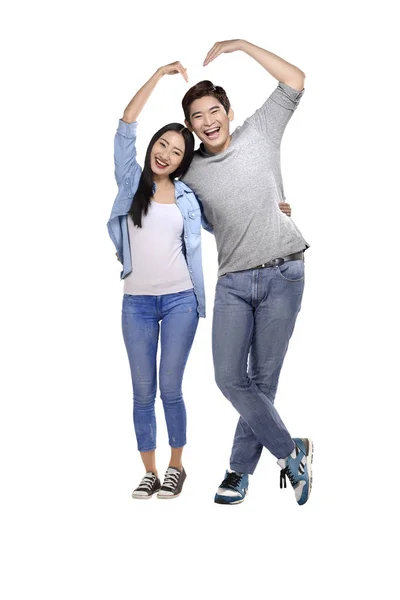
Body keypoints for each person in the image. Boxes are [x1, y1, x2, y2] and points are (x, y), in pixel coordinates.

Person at [181, 39, 313, 505]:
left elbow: (294, 80)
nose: (208, 121)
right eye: (197, 116)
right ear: (191, 125)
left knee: (263, 379)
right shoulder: (190, 172)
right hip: (234, 282)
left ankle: (238, 472)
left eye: (214, 110)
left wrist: (241, 45)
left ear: (229, 112)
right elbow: (204, 221)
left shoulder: (260, 131)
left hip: (284, 273)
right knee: (229, 377)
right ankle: (290, 449)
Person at [107, 62, 206, 500]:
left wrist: (274, 212)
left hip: (181, 300)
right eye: (162, 144)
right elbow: (126, 122)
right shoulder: (132, 182)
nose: (165, 153)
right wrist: (160, 75)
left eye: (176, 152)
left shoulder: (187, 197)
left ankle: (175, 467)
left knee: (170, 387)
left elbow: (225, 220)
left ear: (183, 163)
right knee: (142, 391)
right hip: (136, 304)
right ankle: (148, 472)